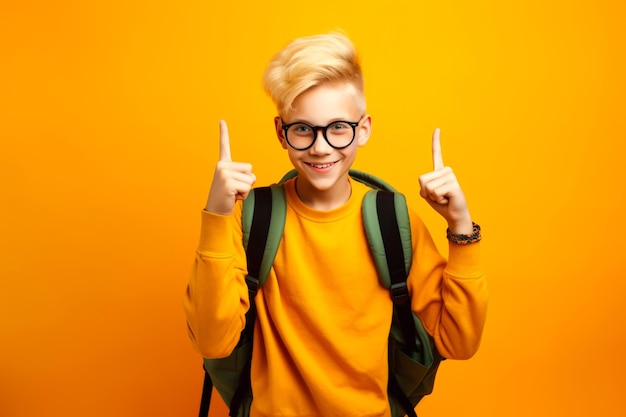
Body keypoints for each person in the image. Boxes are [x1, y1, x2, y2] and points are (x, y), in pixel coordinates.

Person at [184, 32, 488, 417]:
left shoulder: (392, 218)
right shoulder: (249, 216)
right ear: (281, 132)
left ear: (363, 128)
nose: (321, 147)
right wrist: (216, 215)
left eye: (338, 127)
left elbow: (458, 342)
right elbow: (213, 343)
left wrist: (461, 227)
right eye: (303, 129)